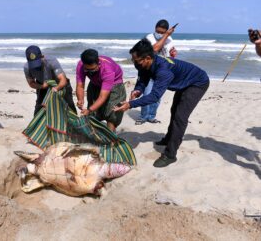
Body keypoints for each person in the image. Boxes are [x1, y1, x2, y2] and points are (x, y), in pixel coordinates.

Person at [114, 39, 209, 168]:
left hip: (197, 83)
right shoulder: (145, 65)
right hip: (184, 83)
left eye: (136, 61)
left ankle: (170, 155)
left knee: (180, 117)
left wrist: (131, 104)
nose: (134, 63)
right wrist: (138, 90)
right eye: (133, 60)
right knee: (174, 111)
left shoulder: (163, 70)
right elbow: (143, 79)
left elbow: (154, 96)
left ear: (147, 58)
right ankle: (169, 138)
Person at [136, 19, 178, 125]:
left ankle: (151, 116)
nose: (159, 34)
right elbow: (154, 49)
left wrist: (173, 53)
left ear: (166, 31)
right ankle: (143, 116)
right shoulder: (149, 38)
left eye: (162, 32)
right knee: (147, 93)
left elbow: (168, 54)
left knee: (157, 96)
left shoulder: (170, 40)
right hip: (149, 70)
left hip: (162, 70)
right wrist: (166, 35)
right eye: (157, 31)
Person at [76, 49, 126, 132]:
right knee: (93, 113)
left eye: (93, 69)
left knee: (111, 113)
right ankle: (95, 135)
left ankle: (111, 138)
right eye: (87, 70)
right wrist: (80, 99)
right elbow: (80, 86)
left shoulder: (107, 69)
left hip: (115, 84)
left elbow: (103, 96)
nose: (90, 72)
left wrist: (89, 110)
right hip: (95, 83)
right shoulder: (81, 65)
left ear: (98, 63)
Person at [24, 45, 77, 116]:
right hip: (42, 85)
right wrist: (42, 86)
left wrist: (56, 88)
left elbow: (63, 80)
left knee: (69, 107)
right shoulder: (27, 67)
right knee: (39, 110)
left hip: (60, 84)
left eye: (37, 63)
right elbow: (31, 83)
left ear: (42, 56)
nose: (36, 66)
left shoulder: (51, 61)